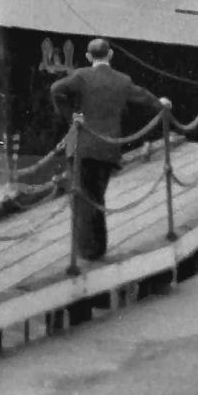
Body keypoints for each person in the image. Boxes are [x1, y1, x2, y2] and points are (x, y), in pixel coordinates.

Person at [50, 38, 159, 262]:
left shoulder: (81, 76)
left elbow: (55, 89)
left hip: (81, 145)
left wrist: (70, 115)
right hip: (107, 148)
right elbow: (146, 99)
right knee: (97, 196)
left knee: (82, 197)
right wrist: (163, 103)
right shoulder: (122, 80)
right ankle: (98, 247)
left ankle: (87, 251)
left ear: (88, 56)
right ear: (110, 55)